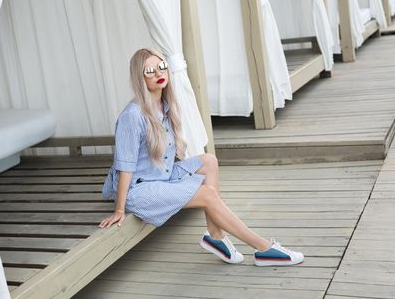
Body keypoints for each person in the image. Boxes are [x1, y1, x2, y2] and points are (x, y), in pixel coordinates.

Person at [99, 48, 303, 266]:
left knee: (209, 161)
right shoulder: (132, 116)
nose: (159, 73)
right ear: (140, 78)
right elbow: (125, 165)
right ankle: (263, 248)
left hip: (161, 177)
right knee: (207, 194)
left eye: (162, 66)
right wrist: (120, 209)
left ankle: (215, 236)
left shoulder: (165, 105)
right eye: (150, 71)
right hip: (138, 190)